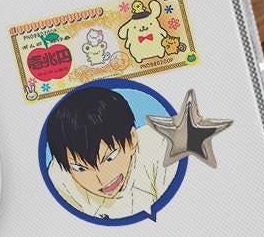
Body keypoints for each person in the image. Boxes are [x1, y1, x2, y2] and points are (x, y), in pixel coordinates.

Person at [44, 81, 175, 221]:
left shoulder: (162, 146)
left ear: (132, 139)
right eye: (81, 168)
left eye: (110, 157)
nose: (102, 179)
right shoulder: (60, 178)